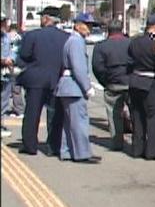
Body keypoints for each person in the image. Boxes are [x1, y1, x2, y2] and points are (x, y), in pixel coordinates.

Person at [17, 13, 69, 156]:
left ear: (45, 19)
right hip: (56, 78)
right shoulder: (66, 37)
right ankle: (53, 147)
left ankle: (30, 145)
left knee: (32, 113)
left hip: (35, 78)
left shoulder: (32, 35)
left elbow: (24, 54)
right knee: (55, 114)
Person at [55, 13, 100, 163]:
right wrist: (87, 87)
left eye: (91, 26)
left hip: (67, 86)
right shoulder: (76, 41)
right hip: (73, 86)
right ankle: (82, 153)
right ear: (77, 25)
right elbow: (78, 67)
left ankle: (67, 151)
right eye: (87, 25)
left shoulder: (72, 40)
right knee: (79, 122)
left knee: (69, 123)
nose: (89, 29)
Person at [127, 13, 155, 160]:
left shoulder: (135, 41)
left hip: (135, 83)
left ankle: (137, 149)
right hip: (152, 85)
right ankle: (152, 152)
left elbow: (129, 62)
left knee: (137, 117)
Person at [91, 19, 131, 151]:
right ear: (122, 29)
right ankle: (138, 142)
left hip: (112, 84)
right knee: (136, 113)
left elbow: (97, 68)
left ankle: (116, 142)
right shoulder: (130, 43)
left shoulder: (101, 46)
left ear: (108, 31)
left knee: (113, 114)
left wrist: (105, 82)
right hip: (130, 84)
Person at [8, 23, 25, 117]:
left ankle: (19, 109)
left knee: (15, 89)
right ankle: (17, 109)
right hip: (17, 66)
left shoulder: (15, 39)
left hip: (15, 66)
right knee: (14, 89)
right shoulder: (20, 38)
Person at [1, 16, 13, 138]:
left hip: (6, 73)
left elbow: (11, 51)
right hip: (3, 68)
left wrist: (11, 59)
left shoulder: (6, 36)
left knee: (4, 101)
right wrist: (4, 60)